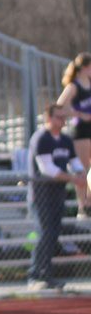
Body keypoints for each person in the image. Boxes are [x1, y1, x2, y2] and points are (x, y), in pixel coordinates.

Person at [27, 104, 86, 291]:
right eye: (58, 117)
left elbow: (75, 162)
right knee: (44, 233)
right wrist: (73, 178)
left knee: (53, 234)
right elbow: (47, 169)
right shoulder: (41, 138)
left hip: (58, 194)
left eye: (64, 117)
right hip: (41, 195)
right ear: (48, 118)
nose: (62, 121)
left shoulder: (66, 140)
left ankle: (47, 275)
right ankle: (35, 275)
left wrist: (82, 174)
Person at [57, 52, 91, 218]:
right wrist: (79, 114)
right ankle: (83, 205)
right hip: (81, 132)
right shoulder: (74, 86)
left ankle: (89, 200)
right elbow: (60, 106)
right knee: (82, 169)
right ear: (84, 67)